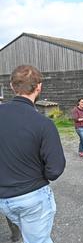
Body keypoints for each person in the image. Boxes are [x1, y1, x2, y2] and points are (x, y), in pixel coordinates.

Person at [0, 65, 66, 243]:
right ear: (39, 87)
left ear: (13, 87)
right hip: (32, 195)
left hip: (4, 199)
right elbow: (55, 169)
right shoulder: (43, 123)